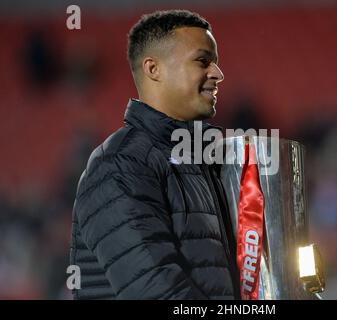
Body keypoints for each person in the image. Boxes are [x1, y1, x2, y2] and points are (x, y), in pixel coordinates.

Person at [70, 10, 240, 299]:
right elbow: (159, 294)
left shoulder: (201, 164)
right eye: (203, 61)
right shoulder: (120, 165)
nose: (217, 74)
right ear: (153, 69)